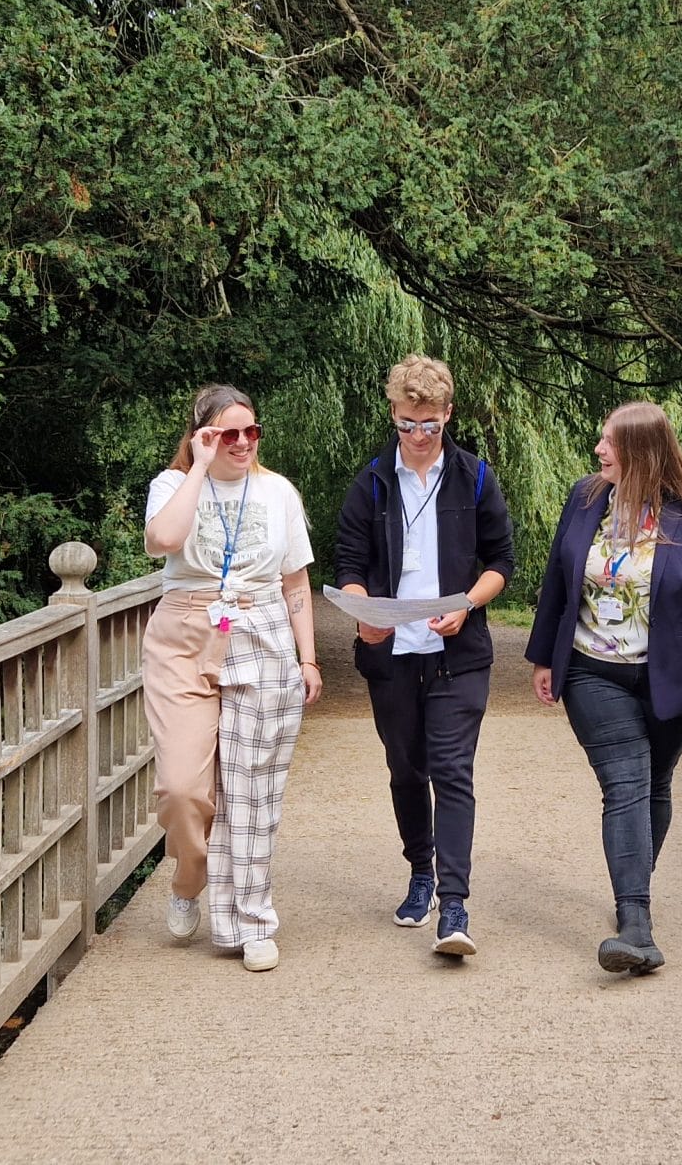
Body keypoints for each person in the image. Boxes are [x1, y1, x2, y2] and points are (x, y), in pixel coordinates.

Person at [525, 401, 682, 976]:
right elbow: (556, 579)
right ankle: (636, 927)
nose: (599, 451)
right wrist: (544, 654)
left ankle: (633, 900)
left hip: (672, 676)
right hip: (593, 669)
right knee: (625, 783)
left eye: (609, 443)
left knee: (654, 784)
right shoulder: (587, 497)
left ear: (641, 451)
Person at [334, 354, 516, 956]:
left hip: (457, 652)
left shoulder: (475, 478)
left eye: (430, 425)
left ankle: (455, 904)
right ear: (393, 413)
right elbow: (350, 567)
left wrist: (466, 602)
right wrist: (365, 616)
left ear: (448, 416)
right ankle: (420, 871)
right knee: (406, 768)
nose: (417, 436)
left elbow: (502, 563)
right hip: (393, 656)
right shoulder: (372, 483)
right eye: (408, 423)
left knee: (452, 770)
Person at [142, 385, 323, 972]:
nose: (242, 443)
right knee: (183, 788)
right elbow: (163, 542)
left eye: (251, 431)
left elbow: (296, 583)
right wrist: (198, 466)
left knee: (251, 788)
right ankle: (190, 875)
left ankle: (253, 921)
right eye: (227, 433)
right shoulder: (172, 485)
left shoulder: (277, 492)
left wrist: (309, 659)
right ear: (202, 434)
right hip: (186, 630)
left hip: (262, 628)